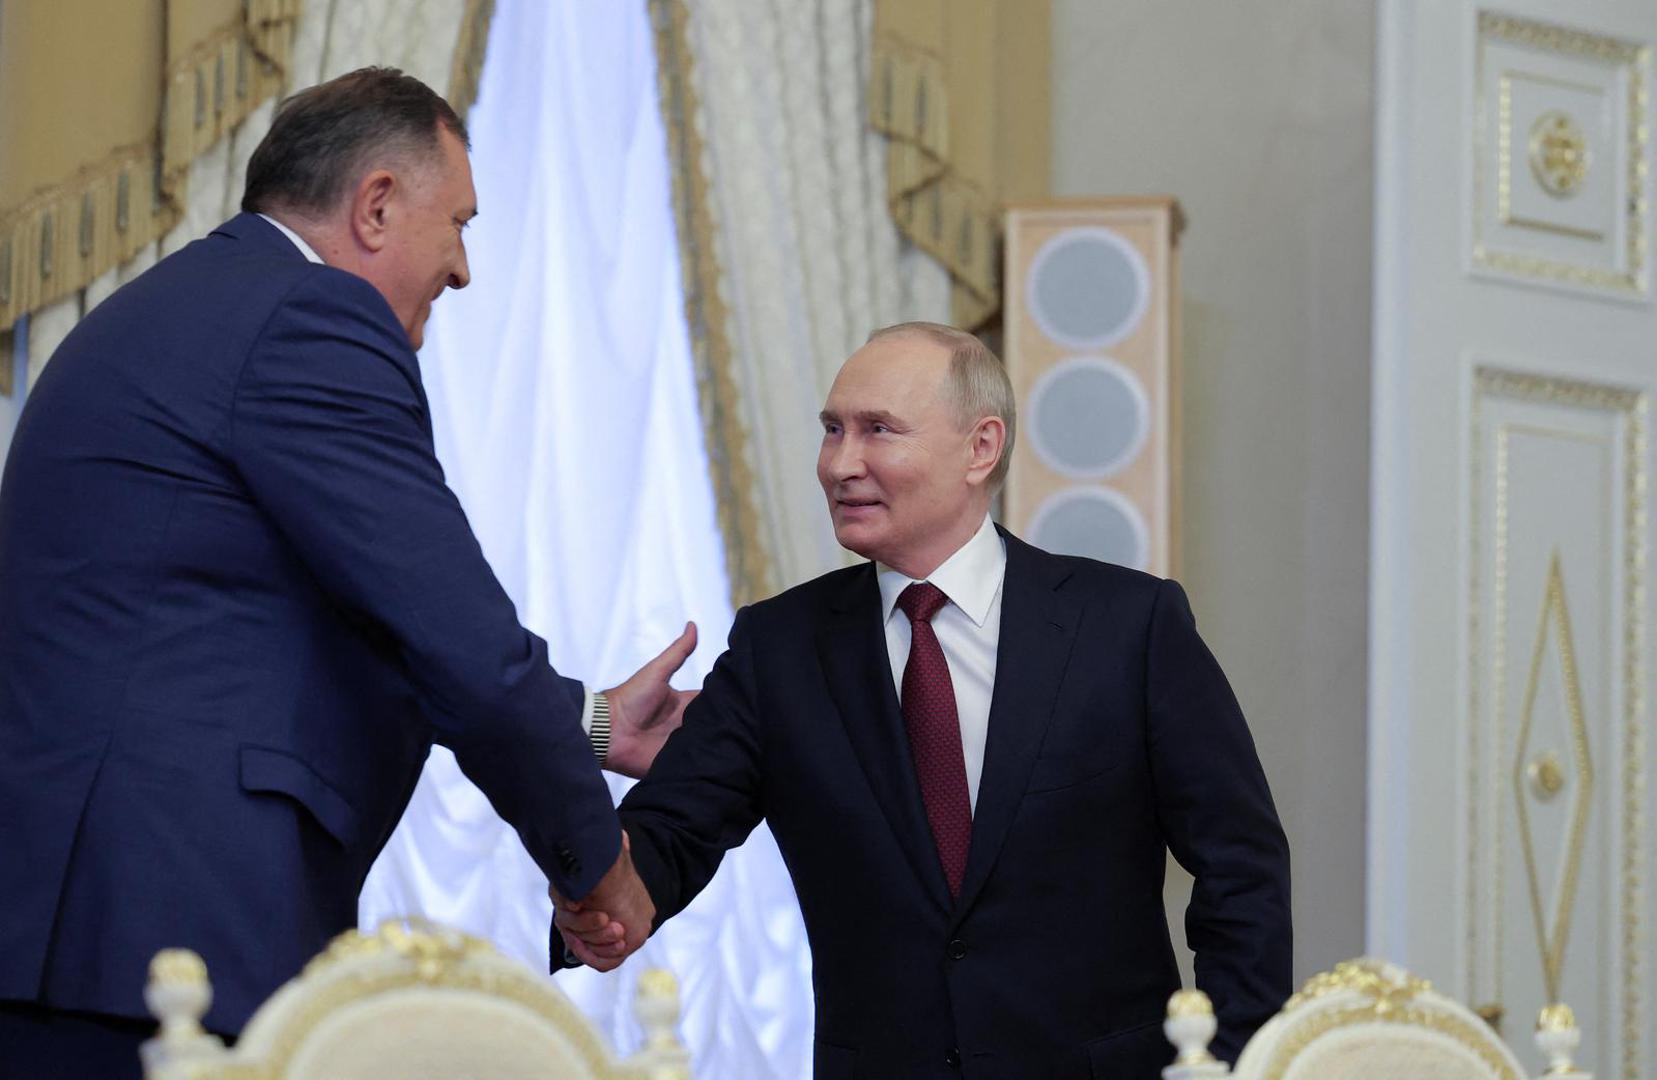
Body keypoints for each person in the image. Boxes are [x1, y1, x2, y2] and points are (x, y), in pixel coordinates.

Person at [0, 68, 670, 1075]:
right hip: (149, 936)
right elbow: (449, 627)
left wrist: (592, 725)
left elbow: (297, 624)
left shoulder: (192, 308)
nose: (462, 269)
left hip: (90, 929)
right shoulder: (308, 319)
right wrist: (598, 861)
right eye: (460, 225)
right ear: (375, 205)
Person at [556, 323, 1292, 1077]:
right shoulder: (779, 648)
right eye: (832, 431)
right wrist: (601, 899)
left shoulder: (1128, 627)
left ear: (980, 448)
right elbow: (671, 831)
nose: (841, 464)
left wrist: (1231, 1060)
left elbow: (1240, 863)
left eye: (878, 430)